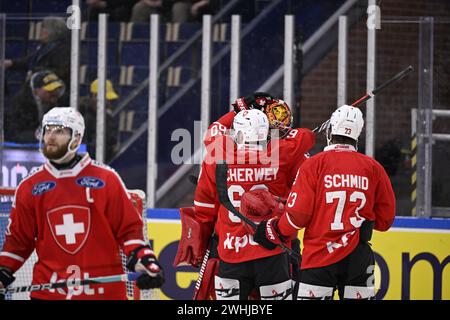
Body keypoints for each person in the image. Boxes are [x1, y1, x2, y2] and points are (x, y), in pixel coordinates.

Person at [0, 107, 164, 300]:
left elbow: (129, 232)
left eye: (60, 130)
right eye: (48, 130)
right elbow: (18, 242)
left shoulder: (106, 179)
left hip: (103, 294)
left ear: (76, 139)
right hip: (49, 293)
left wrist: (145, 259)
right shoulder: (29, 186)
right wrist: (2, 274)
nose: (51, 136)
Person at [253, 105, 396, 300]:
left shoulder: (314, 164)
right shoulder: (373, 168)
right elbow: (385, 221)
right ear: (357, 135)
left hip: (319, 256)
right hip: (358, 259)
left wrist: (274, 230)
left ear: (330, 131)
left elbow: (298, 216)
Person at [175, 107, 315, 300]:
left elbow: (204, 207)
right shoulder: (281, 154)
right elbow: (306, 136)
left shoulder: (218, 154)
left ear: (238, 133)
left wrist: (238, 109)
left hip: (231, 251)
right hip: (272, 251)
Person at [4, 17, 71, 92]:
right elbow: (29, 61)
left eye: (43, 28)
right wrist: (11, 63)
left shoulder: (62, 49)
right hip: (37, 88)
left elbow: (61, 72)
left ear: (53, 31)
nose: (40, 31)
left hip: (50, 92)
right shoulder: (44, 47)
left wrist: (36, 71)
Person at [5, 70, 66, 143]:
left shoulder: (59, 102)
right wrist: (38, 136)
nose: (54, 93)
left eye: (56, 89)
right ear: (37, 90)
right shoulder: (19, 104)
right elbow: (14, 134)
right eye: (49, 90)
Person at [78, 79, 120, 162]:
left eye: (109, 100)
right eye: (105, 99)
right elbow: (80, 147)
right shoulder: (85, 117)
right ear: (94, 96)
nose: (108, 103)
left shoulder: (105, 115)